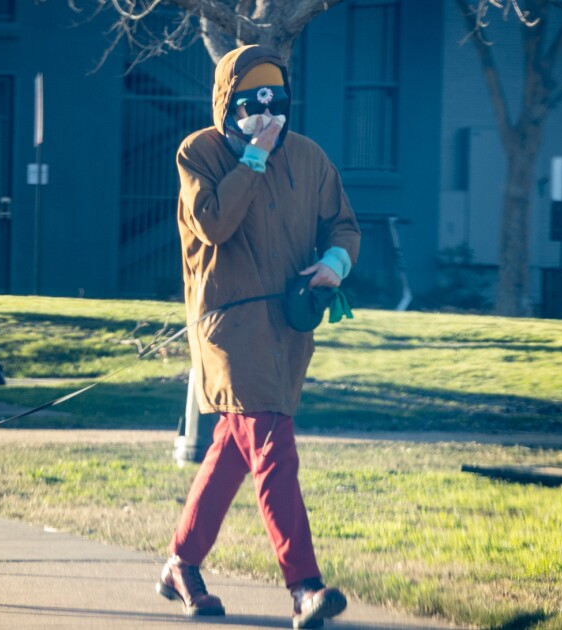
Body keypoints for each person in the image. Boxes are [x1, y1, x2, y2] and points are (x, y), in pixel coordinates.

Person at [155, 45, 361, 629]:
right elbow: (213, 222)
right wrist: (252, 160)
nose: (267, 116)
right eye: (252, 105)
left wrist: (335, 264)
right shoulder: (199, 153)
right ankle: (305, 587)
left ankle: (181, 563)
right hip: (228, 330)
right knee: (272, 447)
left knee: (231, 451)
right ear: (229, 104)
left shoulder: (310, 158)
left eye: (276, 104)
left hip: (288, 329)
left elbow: (343, 223)